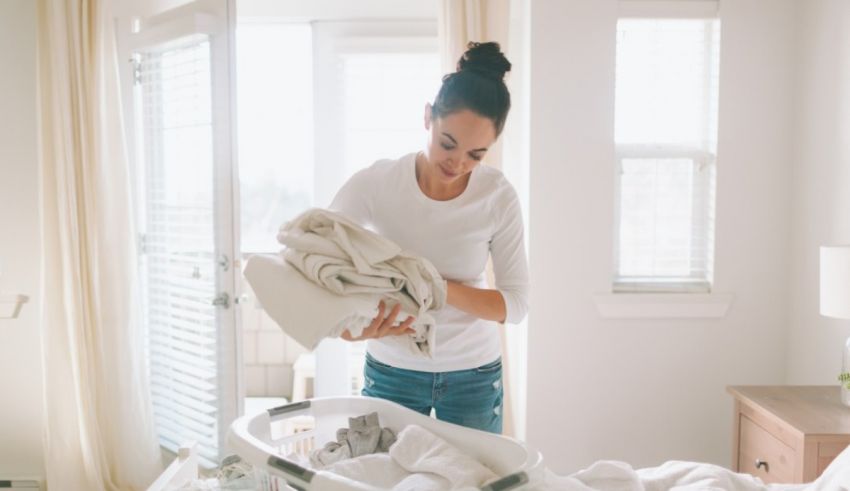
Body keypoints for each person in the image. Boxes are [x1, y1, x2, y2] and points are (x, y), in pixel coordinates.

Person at [329, 41, 529, 434]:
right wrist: (352, 329)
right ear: (427, 117)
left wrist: (432, 284)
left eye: (476, 154)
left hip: (473, 376)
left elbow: (516, 305)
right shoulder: (378, 183)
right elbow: (320, 259)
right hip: (391, 371)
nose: (458, 163)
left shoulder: (497, 196)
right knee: (384, 469)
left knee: (474, 471)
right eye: (447, 144)